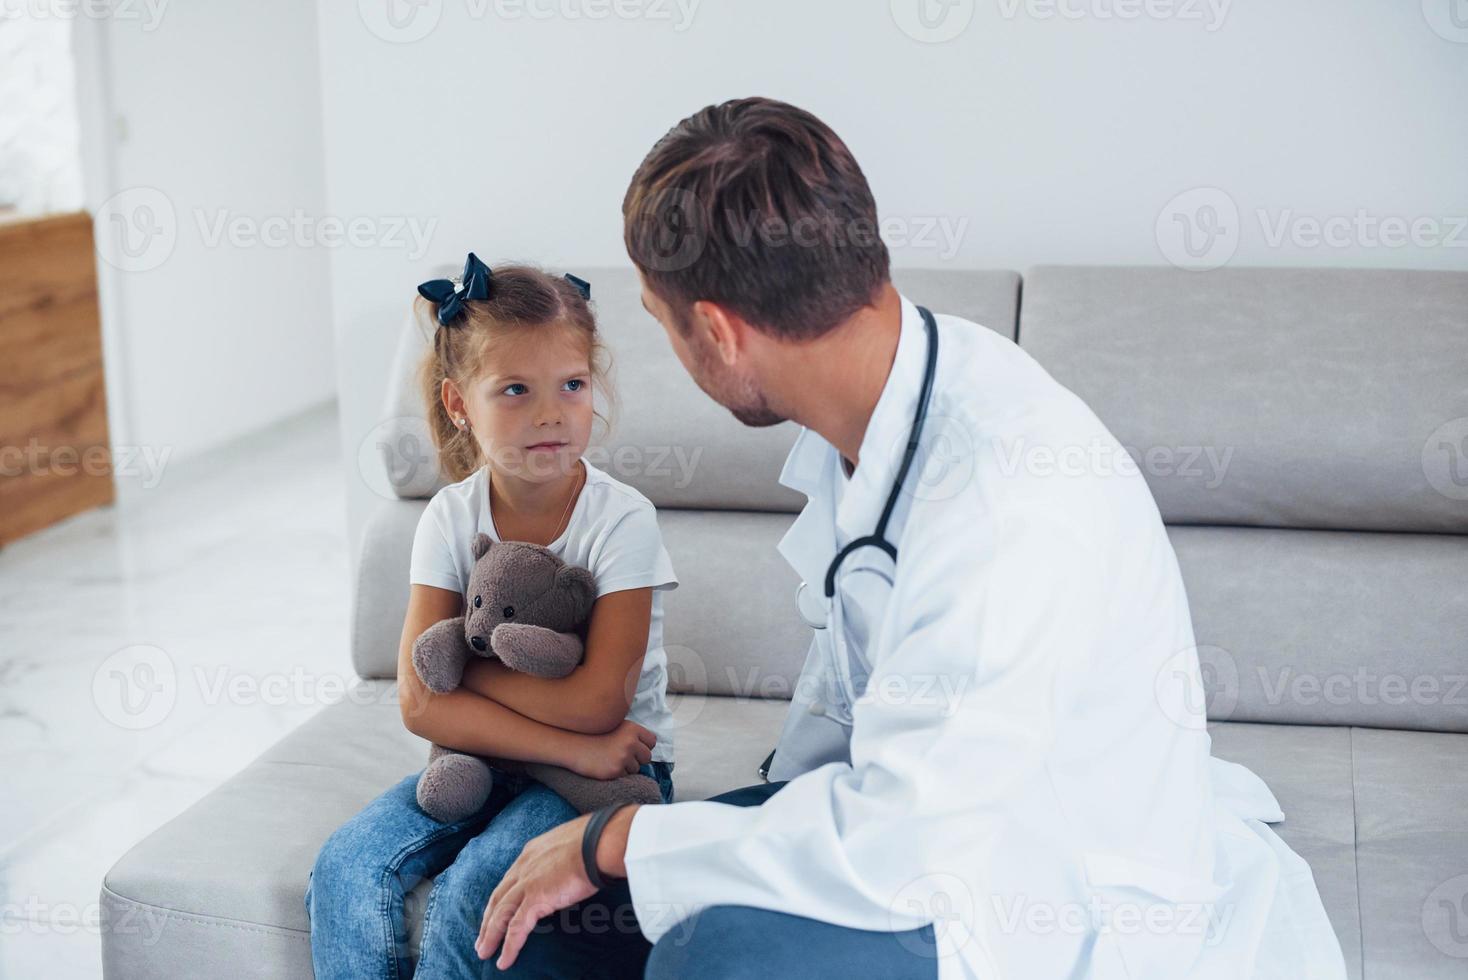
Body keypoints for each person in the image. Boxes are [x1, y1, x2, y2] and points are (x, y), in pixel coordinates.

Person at [476, 98, 1348, 979]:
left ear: (719, 333)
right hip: (922, 807)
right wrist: (632, 847)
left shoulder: (1004, 499)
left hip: (1033, 879)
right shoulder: (883, 400)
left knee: (711, 957)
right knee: (548, 924)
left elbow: (910, 842)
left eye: (660, 322)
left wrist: (625, 839)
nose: (665, 344)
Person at [305, 260, 678, 979]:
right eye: (515, 390)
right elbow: (419, 703)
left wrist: (469, 681)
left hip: (612, 775)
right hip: (495, 761)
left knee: (474, 888)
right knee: (347, 863)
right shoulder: (448, 517)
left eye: (572, 384)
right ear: (457, 403)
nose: (551, 413)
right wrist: (566, 745)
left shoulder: (622, 520)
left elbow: (601, 704)